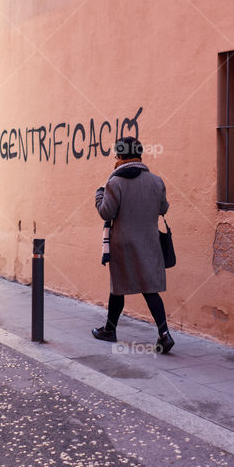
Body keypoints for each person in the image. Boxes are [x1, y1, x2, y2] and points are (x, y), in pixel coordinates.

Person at [93, 136, 174, 354]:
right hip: (149, 243)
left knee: (118, 288)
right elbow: (163, 208)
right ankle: (164, 334)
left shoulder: (114, 182)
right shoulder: (156, 181)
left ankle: (110, 331)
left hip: (123, 244)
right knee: (150, 289)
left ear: (119, 156)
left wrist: (99, 195)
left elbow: (106, 212)